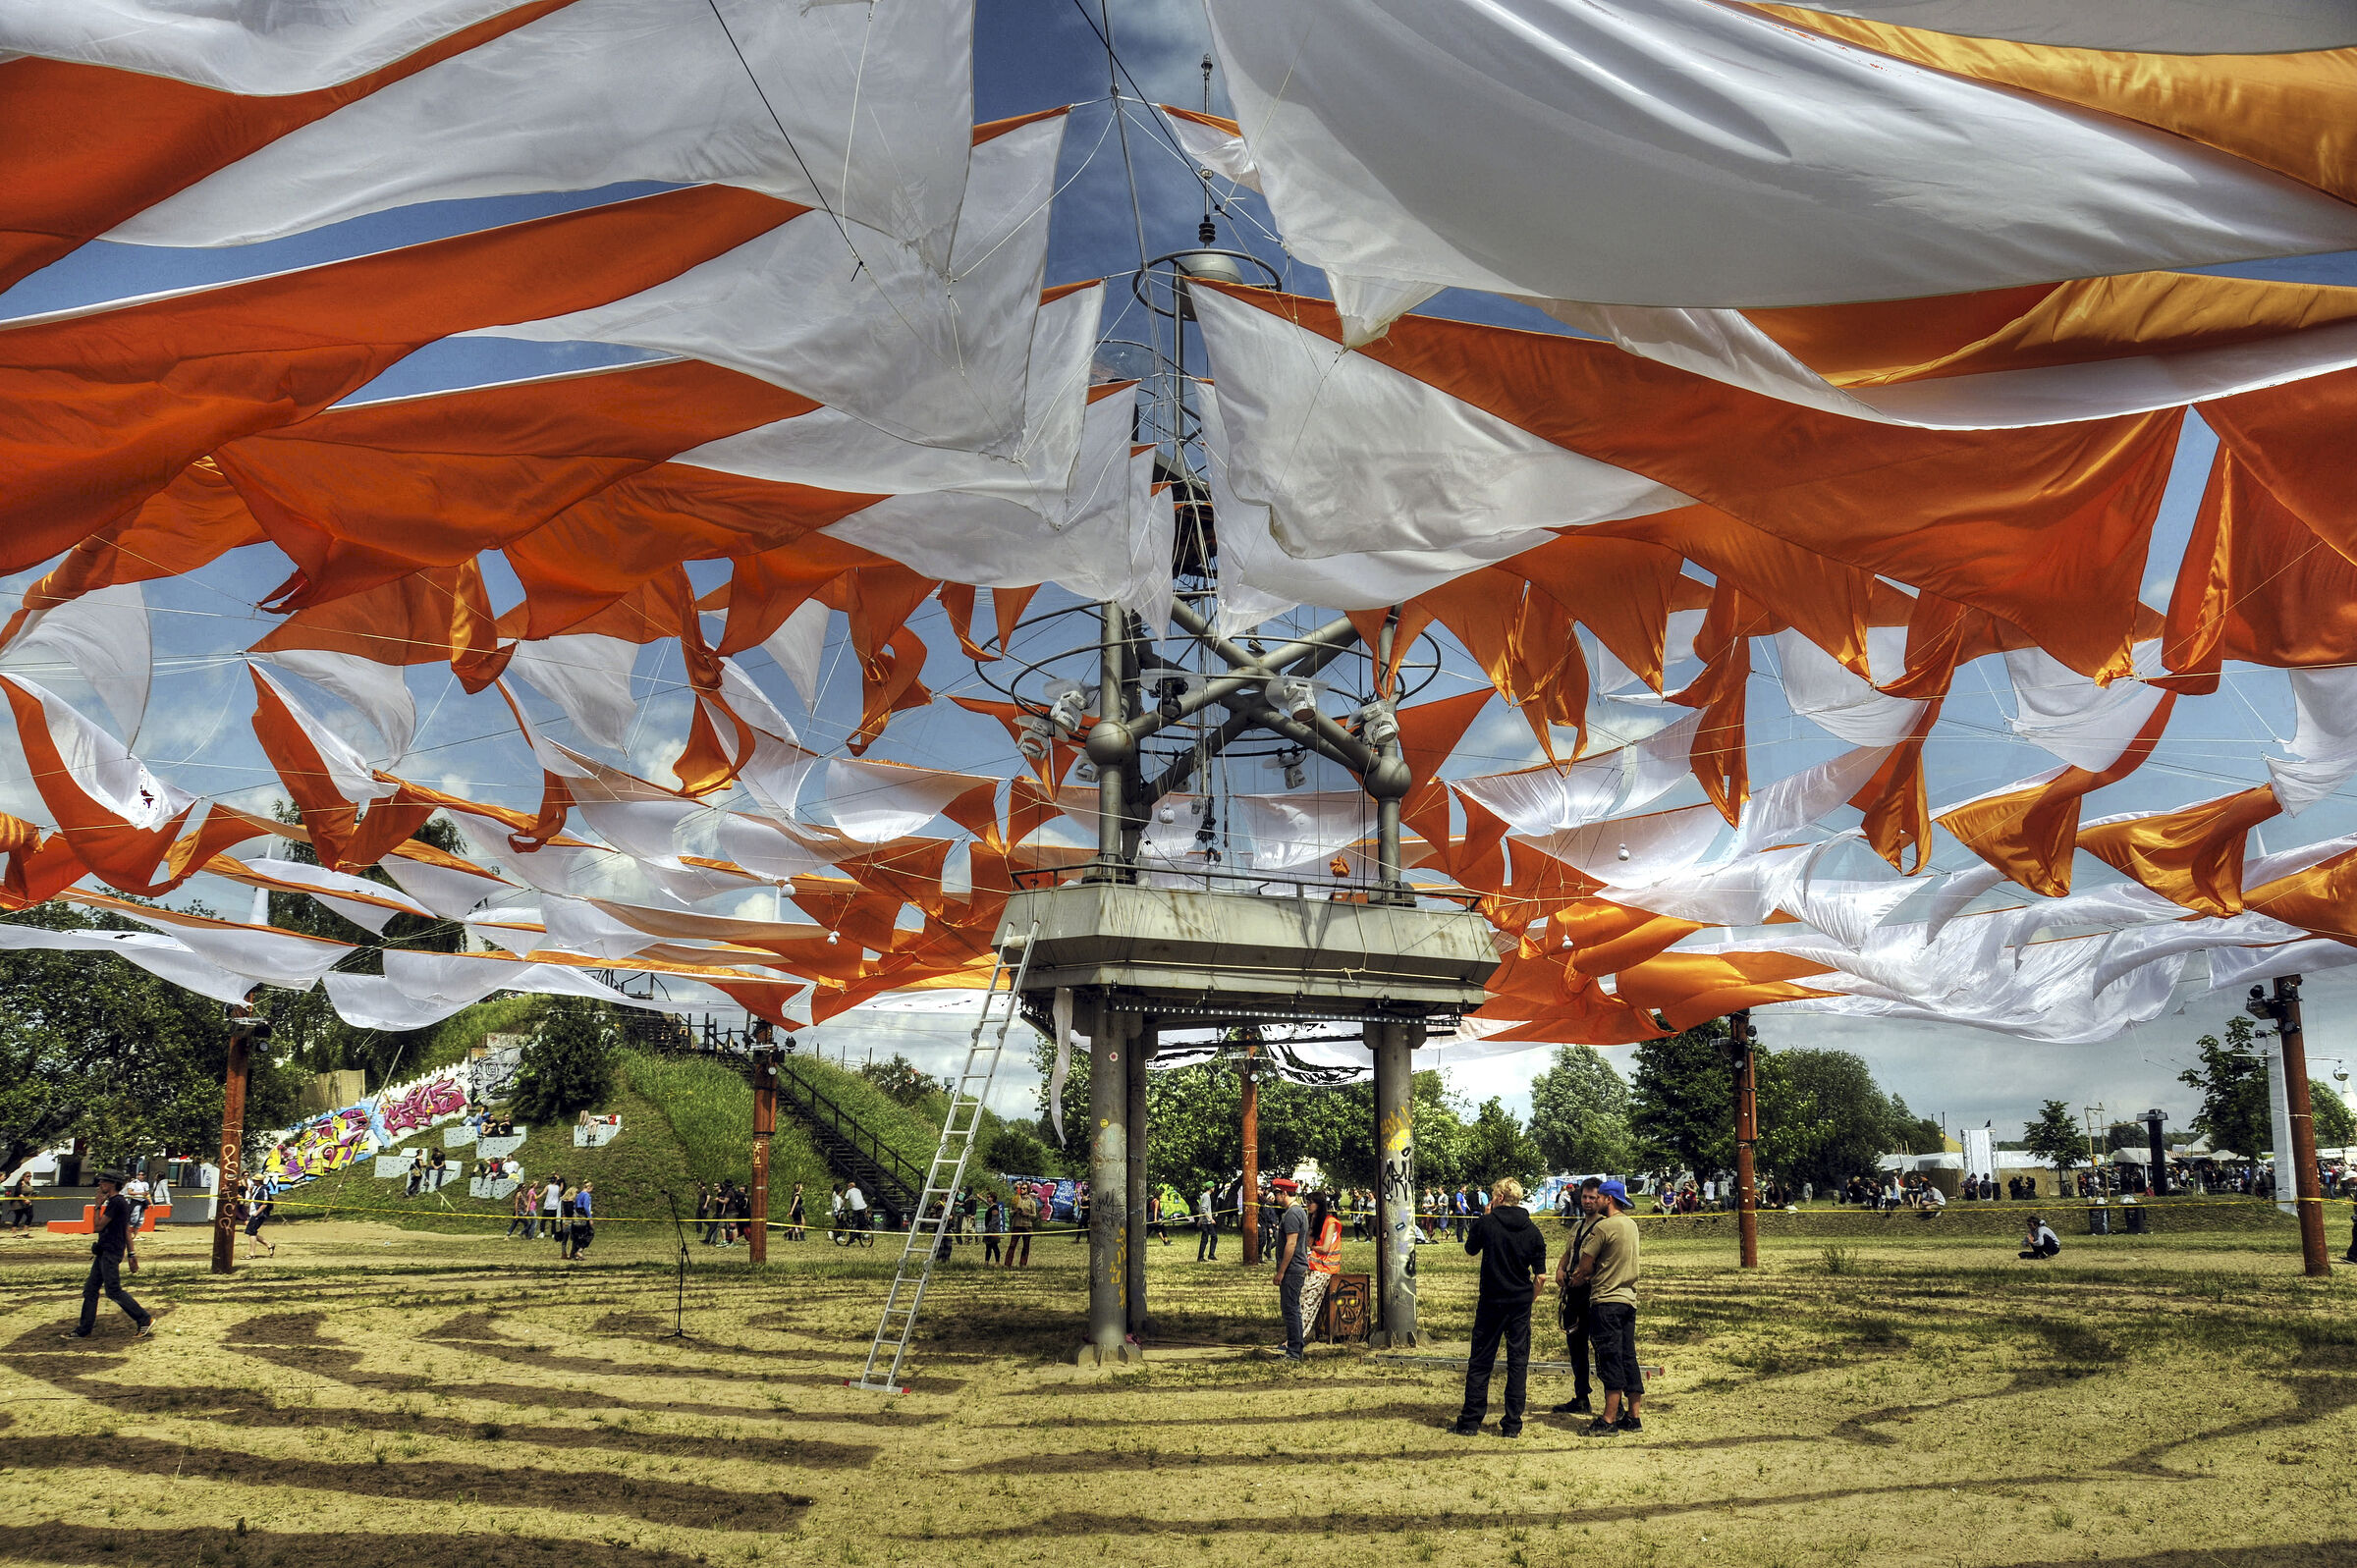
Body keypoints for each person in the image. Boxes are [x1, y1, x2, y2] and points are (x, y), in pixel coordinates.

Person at [1452, 1177, 1548, 1437]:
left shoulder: (1487, 1223)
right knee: (1518, 1362)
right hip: (1519, 1303)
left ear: (1500, 1198)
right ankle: (1513, 1424)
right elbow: (1540, 1276)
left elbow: (1470, 1249)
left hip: (1491, 1302)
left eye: (1493, 1195)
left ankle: (1471, 1421)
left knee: (1481, 1361)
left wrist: (1484, 1218)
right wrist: (1530, 1299)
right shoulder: (1532, 1231)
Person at [1564, 1178, 1643, 1435]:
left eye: (1597, 1198)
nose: (1592, 1201)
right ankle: (1633, 1416)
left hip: (1606, 1300)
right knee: (1627, 1357)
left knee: (1608, 1357)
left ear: (1607, 1199)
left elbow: (1585, 1267)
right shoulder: (1631, 1225)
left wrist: (1573, 1280)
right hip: (1628, 1299)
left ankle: (1608, 1419)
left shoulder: (1604, 1227)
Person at [64, 1171, 153, 1340]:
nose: (99, 1185)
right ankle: (84, 1330)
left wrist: (97, 1206)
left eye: (102, 1182)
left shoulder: (116, 1203)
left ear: (111, 1184)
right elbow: (126, 1230)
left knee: (113, 1290)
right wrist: (131, 1253)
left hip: (110, 1252)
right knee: (90, 1290)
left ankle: (144, 1318)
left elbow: (97, 1226)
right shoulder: (120, 1202)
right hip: (106, 1250)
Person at [1551, 1176, 1606, 1417]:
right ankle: (1582, 1396)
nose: (1587, 1201)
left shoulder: (1605, 1226)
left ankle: (1616, 1404)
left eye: (1593, 1197)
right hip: (1573, 1294)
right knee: (1576, 1346)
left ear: (1602, 1199)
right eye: (1585, 1197)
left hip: (1593, 1294)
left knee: (1602, 1348)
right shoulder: (1577, 1225)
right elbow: (1568, 1252)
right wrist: (1560, 1269)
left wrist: (1584, 1277)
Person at [1269, 1179, 1309, 1361]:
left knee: (1290, 1310)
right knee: (1292, 1309)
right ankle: (1295, 1349)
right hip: (1295, 1268)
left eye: (1276, 1193)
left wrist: (1281, 1271)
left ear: (1284, 1193)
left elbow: (1291, 1244)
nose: (1274, 1196)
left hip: (1292, 1269)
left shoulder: (1292, 1214)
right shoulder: (1298, 1211)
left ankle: (1293, 1353)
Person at [1297, 1191, 1344, 1343]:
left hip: (1326, 1267)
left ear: (1319, 1204)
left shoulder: (1330, 1222)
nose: (1308, 1205)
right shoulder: (1314, 1220)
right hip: (1314, 1265)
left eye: (1310, 1202)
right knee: (1301, 1298)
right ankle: (1297, 1334)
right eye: (1307, 1202)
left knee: (1309, 1301)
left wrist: (1311, 1247)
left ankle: (1299, 1337)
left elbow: (1324, 1248)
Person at [243, 1173, 277, 1258]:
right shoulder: (256, 1189)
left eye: (255, 1180)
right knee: (250, 1231)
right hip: (253, 1213)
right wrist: (250, 1192)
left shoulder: (263, 1190)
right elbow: (253, 1199)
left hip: (259, 1214)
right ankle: (269, 1244)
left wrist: (256, 1213)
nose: (253, 1181)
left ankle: (252, 1253)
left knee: (252, 1232)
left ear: (259, 1181)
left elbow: (265, 1203)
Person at [1006, 1182, 1037, 1268]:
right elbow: (1010, 1211)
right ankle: (1007, 1264)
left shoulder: (1032, 1202)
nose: (1022, 1190)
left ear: (1028, 1190)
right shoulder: (1015, 1199)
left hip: (1027, 1226)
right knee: (1012, 1245)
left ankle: (1023, 1263)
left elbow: (1034, 1215)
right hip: (1017, 1225)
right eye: (1021, 1188)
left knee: (1026, 1246)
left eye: (1024, 1188)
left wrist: (1027, 1214)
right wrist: (1015, 1211)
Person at [570, 1181, 595, 1260]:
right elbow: (586, 1207)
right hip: (583, 1215)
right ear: (589, 1187)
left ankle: (573, 1253)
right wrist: (590, 1218)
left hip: (576, 1215)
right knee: (590, 1233)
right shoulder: (586, 1195)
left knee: (577, 1234)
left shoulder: (579, 1195)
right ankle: (580, 1250)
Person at [1196, 1183, 1220, 1261]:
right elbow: (1203, 1210)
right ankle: (1201, 1257)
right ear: (1210, 1188)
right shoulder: (1206, 1196)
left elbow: (1200, 1209)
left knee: (1212, 1237)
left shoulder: (1203, 1195)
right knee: (1208, 1238)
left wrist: (1200, 1220)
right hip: (1207, 1222)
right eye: (1213, 1187)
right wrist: (1210, 1219)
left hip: (1205, 1221)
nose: (1214, 1188)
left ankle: (1210, 1255)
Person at [982, 1191, 1005, 1265]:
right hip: (988, 1229)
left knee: (994, 1246)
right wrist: (980, 1198)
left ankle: (997, 1262)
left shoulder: (994, 1207)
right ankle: (986, 1262)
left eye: (988, 1197)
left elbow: (994, 1220)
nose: (987, 1198)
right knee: (988, 1247)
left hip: (993, 1230)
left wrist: (991, 1231)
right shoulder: (991, 1206)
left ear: (992, 1198)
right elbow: (986, 1202)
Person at [542, 1176, 565, 1242]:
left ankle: (542, 1232)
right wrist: (561, 1181)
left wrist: (537, 1197)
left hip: (547, 1205)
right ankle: (553, 1233)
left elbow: (543, 1193)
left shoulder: (548, 1186)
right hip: (555, 1206)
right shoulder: (557, 1187)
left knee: (543, 1220)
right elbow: (561, 1189)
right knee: (553, 1221)